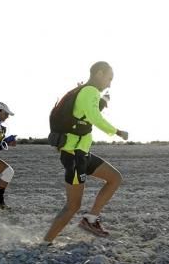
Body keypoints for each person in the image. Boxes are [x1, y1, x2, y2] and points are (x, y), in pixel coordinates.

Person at [44, 61, 128, 242]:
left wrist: (102, 102)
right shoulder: (89, 91)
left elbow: (88, 113)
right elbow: (94, 117)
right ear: (99, 73)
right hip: (74, 155)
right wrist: (117, 132)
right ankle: (45, 243)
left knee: (115, 178)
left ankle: (91, 219)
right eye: (109, 78)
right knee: (73, 205)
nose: (110, 83)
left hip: (82, 153)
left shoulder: (85, 92)